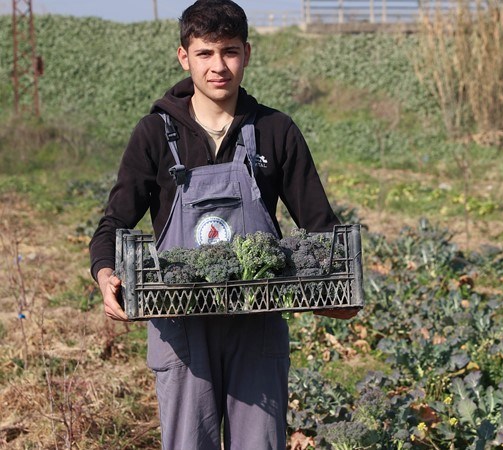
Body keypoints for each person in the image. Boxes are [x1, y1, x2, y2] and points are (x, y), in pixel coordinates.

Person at [88, 1, 358, 448]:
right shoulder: (155, 133)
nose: (219, 67)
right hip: (180, 328)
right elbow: (114, 223)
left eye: (230, 52)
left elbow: (321, 226)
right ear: (184, 57)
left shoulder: (276, 131)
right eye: (205, 54)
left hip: (257, 322)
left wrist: (337, 285)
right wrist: (104, 274)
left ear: (247, 54)